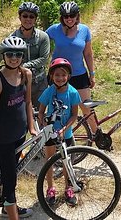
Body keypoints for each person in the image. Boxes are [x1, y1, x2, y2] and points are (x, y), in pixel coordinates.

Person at [0, 36, 36, 220]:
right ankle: (11, 213)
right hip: (4, 138)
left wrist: (31, 127)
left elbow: (28, 101)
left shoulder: (26, 75)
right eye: (10, 54)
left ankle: (8, 209)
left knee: (12, 173)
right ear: (3, 56)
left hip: (19, 134)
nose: (14, 58)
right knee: (10, 181)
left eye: (18, 54)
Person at [0, 2, 50, 109]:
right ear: (19, 17)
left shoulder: (43, 37)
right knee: (20, 115)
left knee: (39, 116)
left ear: (35, 19)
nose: (28, 19)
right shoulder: (12, 38)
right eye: (25, 16)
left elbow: (43, 59)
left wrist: (23, 66)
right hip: (19, 83)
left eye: (31, 16)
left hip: (39, 83)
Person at [45, 1, 98, 132]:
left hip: (79, 74)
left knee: (86, 108)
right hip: (57, 75)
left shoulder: (85, 30)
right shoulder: (54, 29)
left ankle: (97, 134)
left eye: (72, 15)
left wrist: (92, 74)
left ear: (77, 16)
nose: (69, 19)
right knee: (58, 109)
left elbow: (88, 53)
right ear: (62, 17)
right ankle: (57, 138)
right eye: (65, 16)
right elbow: (39, 40)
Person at [37, 58, 81, 207]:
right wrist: (43, 124)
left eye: (63, 75)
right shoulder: (49, 91)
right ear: (51, 76)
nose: (60, 78)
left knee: (67, 162)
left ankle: (68, 188)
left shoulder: (73, 92)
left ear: (68, 76)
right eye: (57, 75)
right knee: (49, 161)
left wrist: (64, 129)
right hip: (50, 133)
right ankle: (50, 188)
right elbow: (41, 112)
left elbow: (74, 114)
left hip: (65, 134)